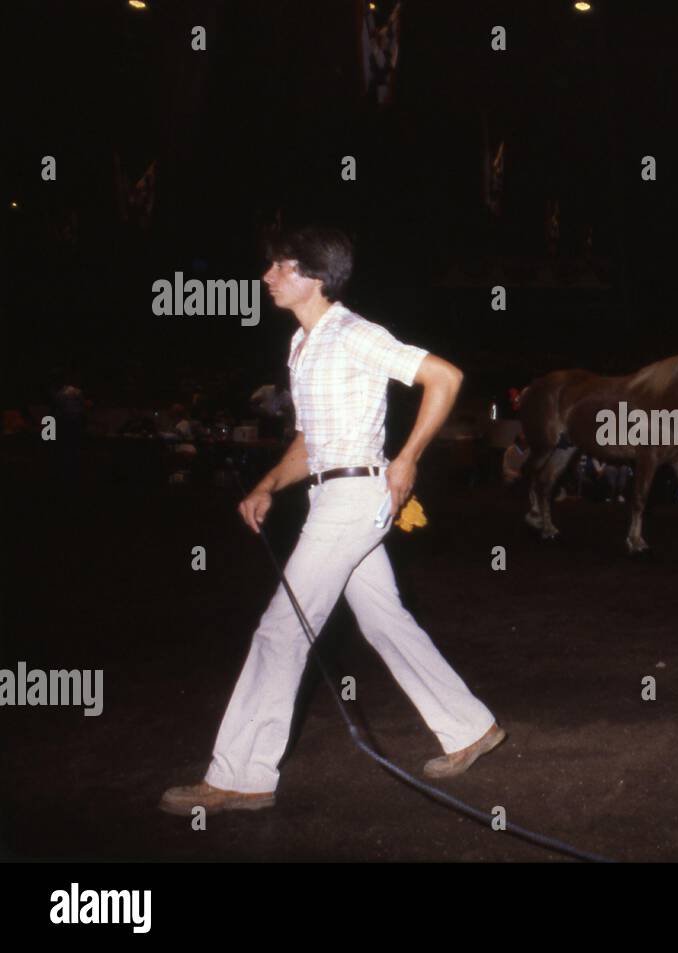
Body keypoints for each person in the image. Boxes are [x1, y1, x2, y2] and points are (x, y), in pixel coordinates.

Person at [160, 226, 503, 816]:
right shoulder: (302, 346)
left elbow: (444, 378)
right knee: (385, 620)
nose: (267, 276)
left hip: (355, 497)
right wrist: (268, 484)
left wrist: (407, 460)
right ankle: (469, 726)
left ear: (313, 276)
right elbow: (309, 440)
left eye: (279, 266)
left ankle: (241, 776)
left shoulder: (352, 332)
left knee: (281, 628)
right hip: (331, 492)